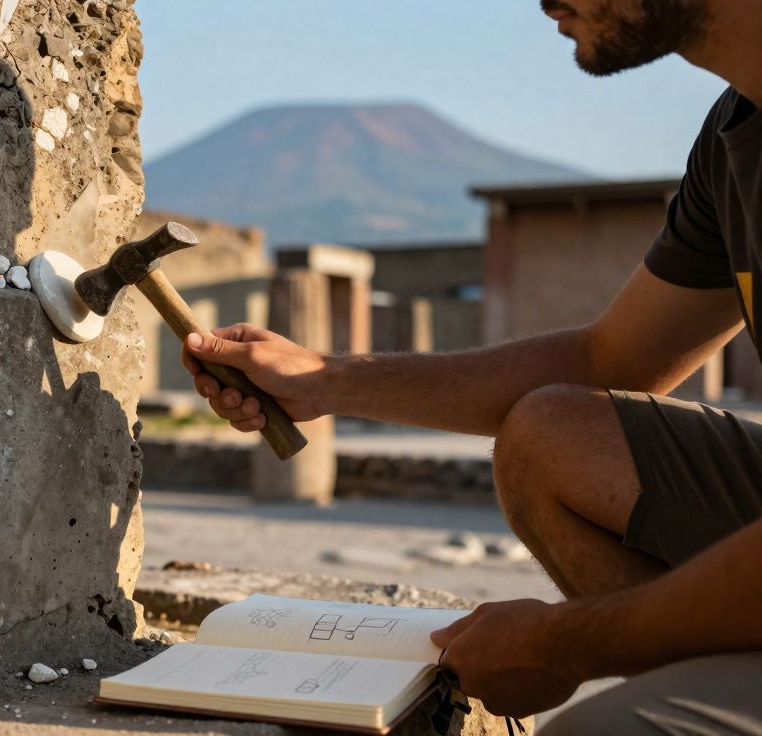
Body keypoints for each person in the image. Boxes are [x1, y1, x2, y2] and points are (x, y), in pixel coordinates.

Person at [182, 1, 762, 731]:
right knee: (551, 432)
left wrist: (562, 645)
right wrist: (324, 379)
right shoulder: (735, 133)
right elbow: (607, 362)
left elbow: (563, 649)